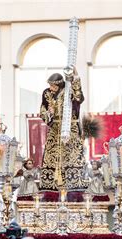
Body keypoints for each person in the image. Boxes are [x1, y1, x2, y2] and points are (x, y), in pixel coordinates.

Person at [39, 67, 87, 198]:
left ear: (59, 83)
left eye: (53, 85)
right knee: (51, 156)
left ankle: (73, 188)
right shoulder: (46, 93)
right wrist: (49, 114)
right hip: (55, 128)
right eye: (50, 85)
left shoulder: (68, 90)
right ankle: (51, 189)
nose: (51, 87)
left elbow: (78, 97)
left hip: (70, 127)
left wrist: (76, 78)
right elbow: (42, 110)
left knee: (71, 156)